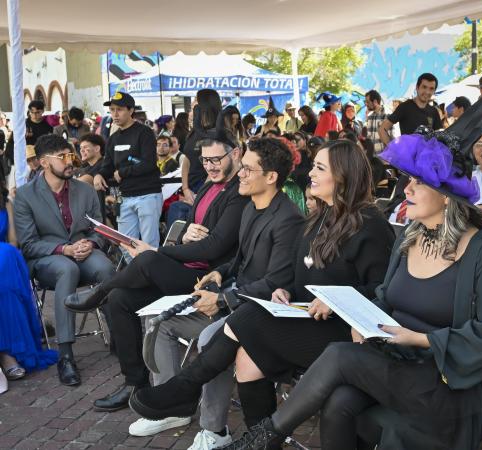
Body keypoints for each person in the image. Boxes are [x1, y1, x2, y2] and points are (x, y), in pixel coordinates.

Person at [224, 86, 482, 450]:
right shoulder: (411, 238)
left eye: (418, 182)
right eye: (408, 180)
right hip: (396, 360)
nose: (406, 189)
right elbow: (383, 295)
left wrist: (420, 338)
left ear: (447, 196)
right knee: (339, 402)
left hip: (445, 380)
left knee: (338, 356)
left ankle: (263, 437)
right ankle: (264, 437)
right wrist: (361, 320)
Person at [130, 140, 394, 448]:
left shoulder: (370, 224)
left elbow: (383, 291)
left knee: (250, 315)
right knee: (247, 358)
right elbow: (300, 277)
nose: (310, 173)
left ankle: (185, 388)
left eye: (320, 168)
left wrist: (336, 300)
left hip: (344, 331)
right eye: (314, 166)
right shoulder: (320, 218)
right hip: (308, 318)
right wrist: (285, 291)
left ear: (344, 176)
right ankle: (258, 440)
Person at [128, 138, 305, 446]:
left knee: (212, 339)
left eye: (247, 169)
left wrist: (223, 298)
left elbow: (276, 281)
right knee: (161, 321)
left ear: (271, 177)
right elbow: (243, 259)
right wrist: (221, 271)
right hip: (236, 300)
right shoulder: (252, 206)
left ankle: (214, 431)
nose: (240, 174)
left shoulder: (288, 218)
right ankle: (173, 409)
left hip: (258, 311)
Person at [65, 126, 248, 414]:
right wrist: (185, 233)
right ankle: (135, 384)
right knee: (120, 300)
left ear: (235, 154)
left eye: (216, 160)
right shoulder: (208, 186)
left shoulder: (239, 191)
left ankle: (100, 291)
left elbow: (214, 248)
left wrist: (157, 251)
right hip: (183, 269)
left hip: (208, 280)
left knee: (149, 259)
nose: (210, 166)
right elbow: (190, 229)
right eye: (205, 160)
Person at [13, 134, 115, 386]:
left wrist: (91, 243)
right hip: (47, 258)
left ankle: (120, 335)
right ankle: (66, 355)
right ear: (44, 162)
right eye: (62, 157)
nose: (70, 161)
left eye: (71, 155)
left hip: (84, 251)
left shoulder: (85, 189)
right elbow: (28, 243)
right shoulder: (25, 195)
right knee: (66, 269)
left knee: (106, 267)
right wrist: (64, 249)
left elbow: (100, 229)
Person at [0, 175, 58, 388]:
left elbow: (14, 240)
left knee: (6, 255)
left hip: (4, 256)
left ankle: (7, 353)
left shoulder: (6, 202)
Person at [94, 92, 163, 259]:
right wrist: (99, 175)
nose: (115, 114)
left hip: (148, 194)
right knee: (126, 246)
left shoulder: (144, 132)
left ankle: (150, 275)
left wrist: (122, 172)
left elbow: (148, 163)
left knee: (149, 245)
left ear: (131, 110)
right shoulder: (113, 138)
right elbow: (107, 165)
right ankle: (136, 274)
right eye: (112, 110)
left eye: (119, 109)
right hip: (125, 197)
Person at [379, 73, 442, 145]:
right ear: (417, 87)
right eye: (424, 87)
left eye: (431, 89)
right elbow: (382, 129)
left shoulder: (434, 111)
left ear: (434, 91)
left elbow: (439, 138)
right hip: (408, 151)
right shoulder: (405, 107)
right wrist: (393, 148)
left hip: (427, 152)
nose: (427, 92)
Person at [183, 89, 223, 192]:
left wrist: (202, 193)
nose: (192, 104)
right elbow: (187, 159)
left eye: (196, 100)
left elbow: (216, 166)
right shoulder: (194, 131)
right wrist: (185, 188)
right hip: (191, 187)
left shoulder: (216, 132)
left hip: (208, 187)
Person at [4, 100, 53, 172]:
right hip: (26, 162)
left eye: (37, 112)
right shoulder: (22, 125)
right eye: (32, 112)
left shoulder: (48, 126)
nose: (34, 115)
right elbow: (11, 143)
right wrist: (22, 138)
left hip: (43, 159)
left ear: (42, 111)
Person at [363, 89, 390, 154]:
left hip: (385, 157)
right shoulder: (369, 117)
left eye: (367, 102)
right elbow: (369, 138)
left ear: (375, 101)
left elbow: (392, 139)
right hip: (373, 157)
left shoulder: (387, 115)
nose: (366, 104)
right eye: (365, 102)